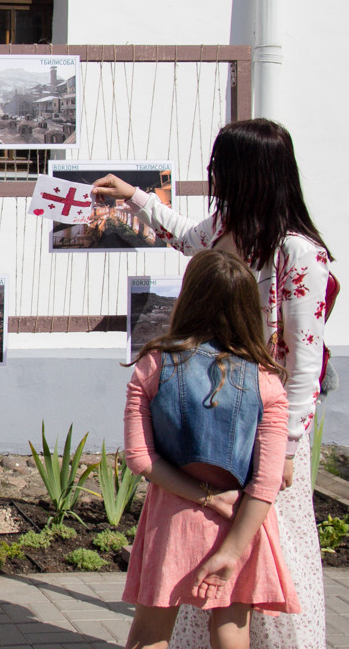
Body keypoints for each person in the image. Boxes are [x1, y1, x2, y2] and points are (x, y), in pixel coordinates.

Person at [93, 118, 331, 648]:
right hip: (211, 413)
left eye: (220, 168)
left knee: (262, 559)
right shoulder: (226, 229)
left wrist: (287, 446)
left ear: (248, 173)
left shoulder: (298, 254)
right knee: (219, 564)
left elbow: (304, 363)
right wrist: (133, 195)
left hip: (264, 427)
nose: (214, 177)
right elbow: (184, 235)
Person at [122, 249, 298, 649]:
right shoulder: (267, 379)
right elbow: (267, 479)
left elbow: (139, 458)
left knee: (149, 633)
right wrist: (233, 548)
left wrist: (206, 497)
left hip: (173, 515)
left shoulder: (153, 365)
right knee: (231, 630)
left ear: (189, 297)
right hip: (242, 520)